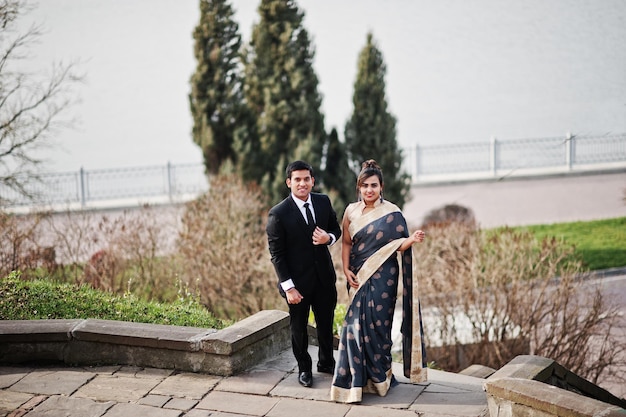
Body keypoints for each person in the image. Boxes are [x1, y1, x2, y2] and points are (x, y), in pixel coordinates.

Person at [330, 159, 427, 403]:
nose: (369, 190)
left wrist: (412, 239)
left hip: (385, 278)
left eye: (373, 185)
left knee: (378, 330)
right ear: (359, 188)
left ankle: (379, 381)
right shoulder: (351, 211)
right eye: (364, 186)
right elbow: (347, 243)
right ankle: (351, 385)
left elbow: (397, 245)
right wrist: (345, 269)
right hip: (358, 276)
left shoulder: (392, 213)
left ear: (381, 186)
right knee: (352, 329)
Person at [266, 160, 342, 388]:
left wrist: (328, 238)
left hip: (324, 279)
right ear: (289, 182)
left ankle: (327, 363)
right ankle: (304, 370)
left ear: (312, 181)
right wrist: (288, 287)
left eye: (306, 179)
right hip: (297, 285)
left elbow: (336, 229)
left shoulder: (323, 201)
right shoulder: (278, 214)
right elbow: (277, 255)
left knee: (326, 325)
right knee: (299, 330)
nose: (302, 183)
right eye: (297, 179)